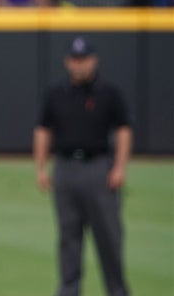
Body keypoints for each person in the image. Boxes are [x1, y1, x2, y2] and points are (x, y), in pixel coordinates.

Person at [33, 36, 132, 296]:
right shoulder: (56, 93)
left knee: (109, 238)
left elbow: (123, 130)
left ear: (94, 60)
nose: (80, 65)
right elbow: (43, 130)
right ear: (68, 62)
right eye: (75, 60)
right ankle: (68, 291)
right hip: (65, 169)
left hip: (99, 168)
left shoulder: (109, 93)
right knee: (69, 239)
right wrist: (41, 168)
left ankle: (117, 291)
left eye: (84, 59)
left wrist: (120, 167)